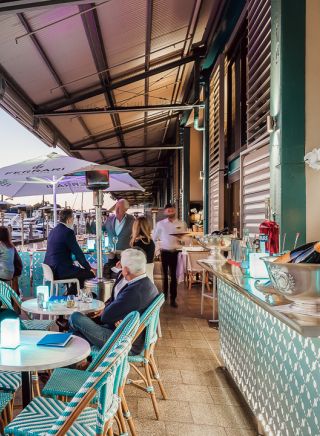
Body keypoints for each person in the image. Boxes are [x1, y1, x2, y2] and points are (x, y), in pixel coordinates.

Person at [69, 248, 159, 354]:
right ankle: (82, 363)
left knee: (75, 317)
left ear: (125, 270)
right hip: (124, 332)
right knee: (78, 334)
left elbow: (105, 317)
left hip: (124, 341)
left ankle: (77, 362)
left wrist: (106, 312)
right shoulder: (146, 284)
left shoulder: (134, 292)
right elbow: (114, 304)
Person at [44, 208, 95, 295]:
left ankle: (70, 294)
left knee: (79, 274)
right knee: (88, 274)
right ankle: (69, 296)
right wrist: (89, 268)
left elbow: (61, 251)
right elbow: (78, 253)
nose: (73, 221)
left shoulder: (52, 231)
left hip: (49, 269)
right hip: (61, 271)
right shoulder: (68, 232)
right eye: (73, 218)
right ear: (68, 220)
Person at [153, 203, 187, 308]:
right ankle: (164, 296)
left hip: (175, 252)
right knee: (164, 277)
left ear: (175, 211)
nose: (170, 212)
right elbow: (154, 237)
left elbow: (185, 239)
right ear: (165, 212)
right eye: (168, 211)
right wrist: (155, 250)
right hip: (165, 251)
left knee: (174, 276)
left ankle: (173, 299)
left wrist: (182, 239)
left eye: (172, 210)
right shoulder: (160, 224)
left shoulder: (181, 224)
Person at [103, 199, 135, 278]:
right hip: (111, 256)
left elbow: (136, 236)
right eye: (116, 207)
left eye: (119, 208)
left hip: (124, 257)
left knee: (122, 279)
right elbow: (100, 230)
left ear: (126, 209)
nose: (116, 210)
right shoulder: (110, 219)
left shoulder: (132, 220)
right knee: (109, 278)